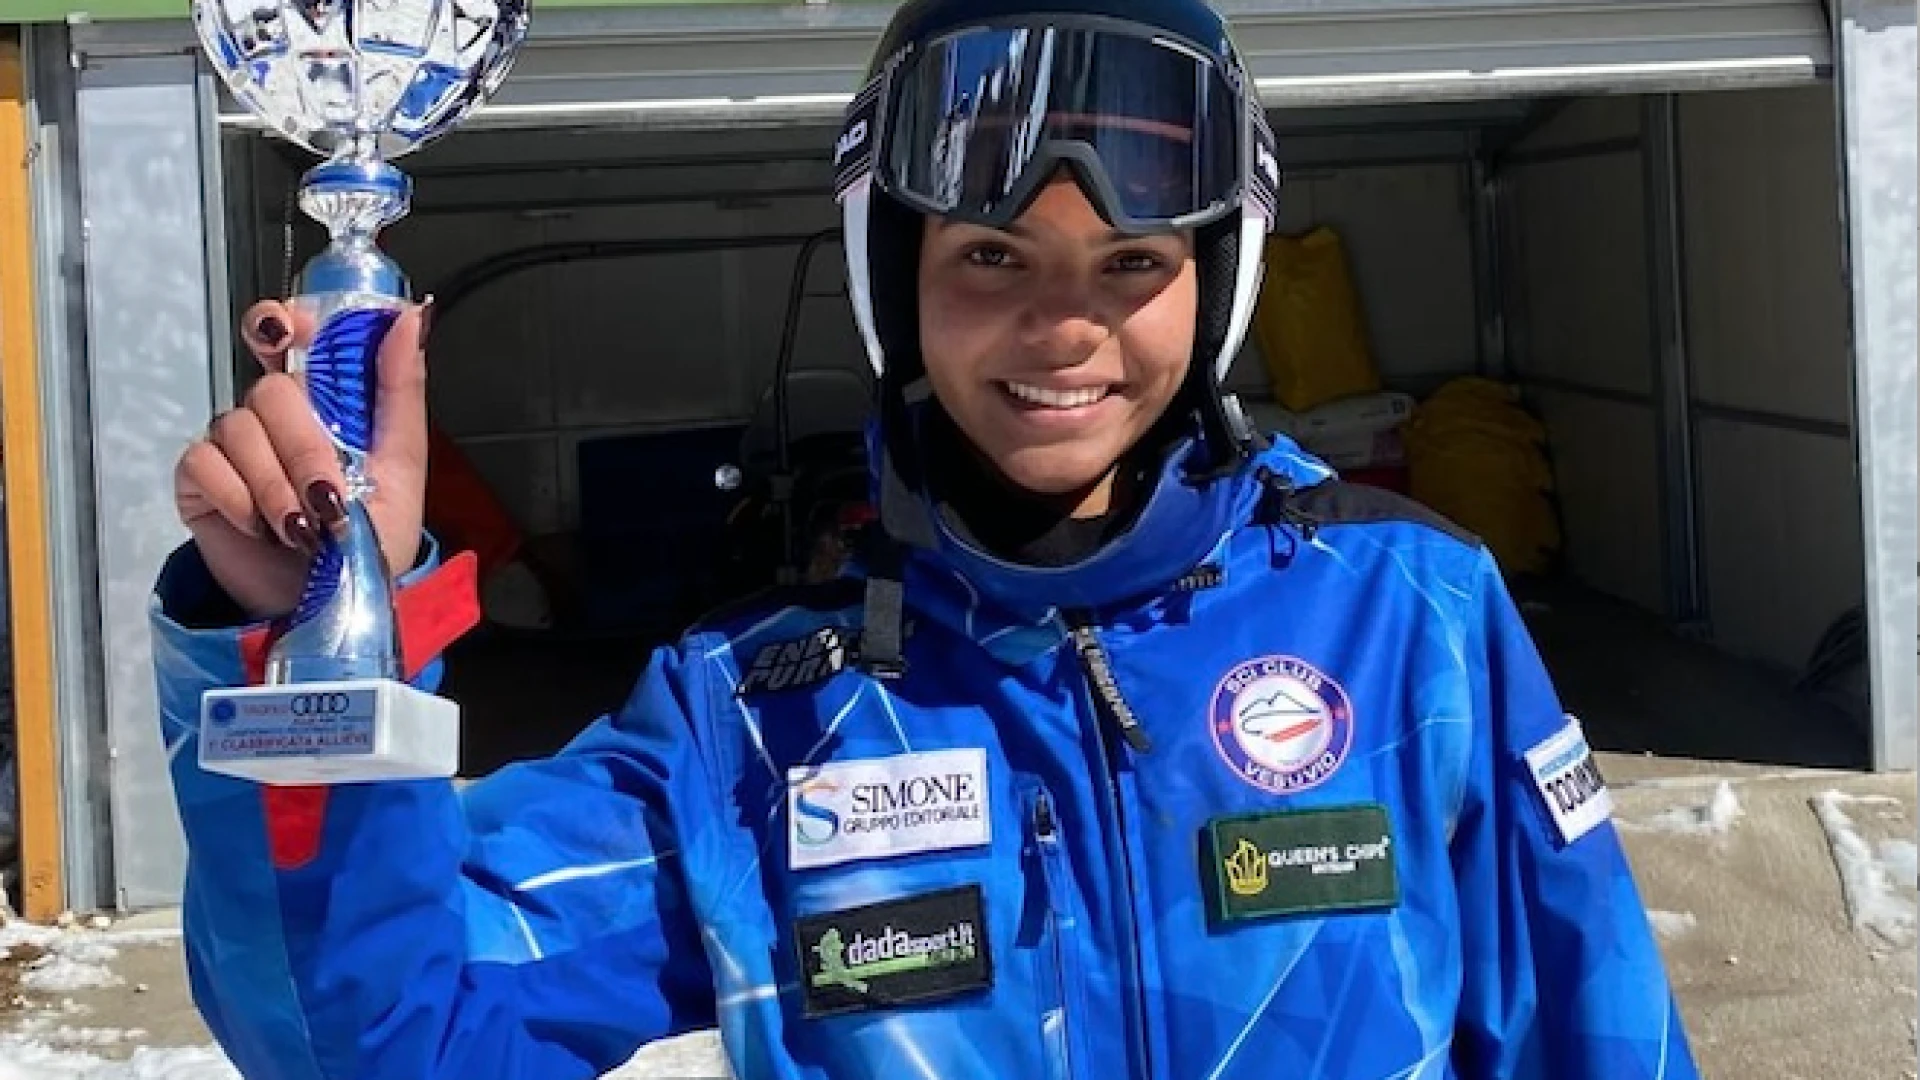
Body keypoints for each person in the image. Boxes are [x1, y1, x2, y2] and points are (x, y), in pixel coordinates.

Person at [153, 0, 1702, 1076]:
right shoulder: (757, 719)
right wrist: (317, 662)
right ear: (893, 285)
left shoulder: (1410, 615)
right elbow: (389, 1043)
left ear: (1214, 282)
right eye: (988, 255)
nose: (1063, 325)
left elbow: (1594, 1029)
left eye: (1132, 260)